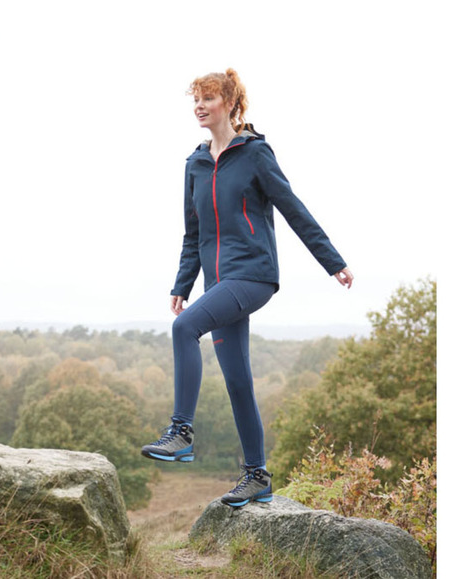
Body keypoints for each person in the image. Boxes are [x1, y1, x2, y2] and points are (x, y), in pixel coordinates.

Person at [141, 69, 353, 508]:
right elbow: (192, 233)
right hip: (219, 283)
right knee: (238, 381)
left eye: (208, 98)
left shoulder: (255, 154)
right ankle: (257, 476)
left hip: (253, 275)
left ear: (231, 104)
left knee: (185, 330)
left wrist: (332, 261)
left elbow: (293, 208)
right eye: (195, 99)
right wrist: (183, 283)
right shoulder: (195, 164)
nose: (199, 106)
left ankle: (181, 431)